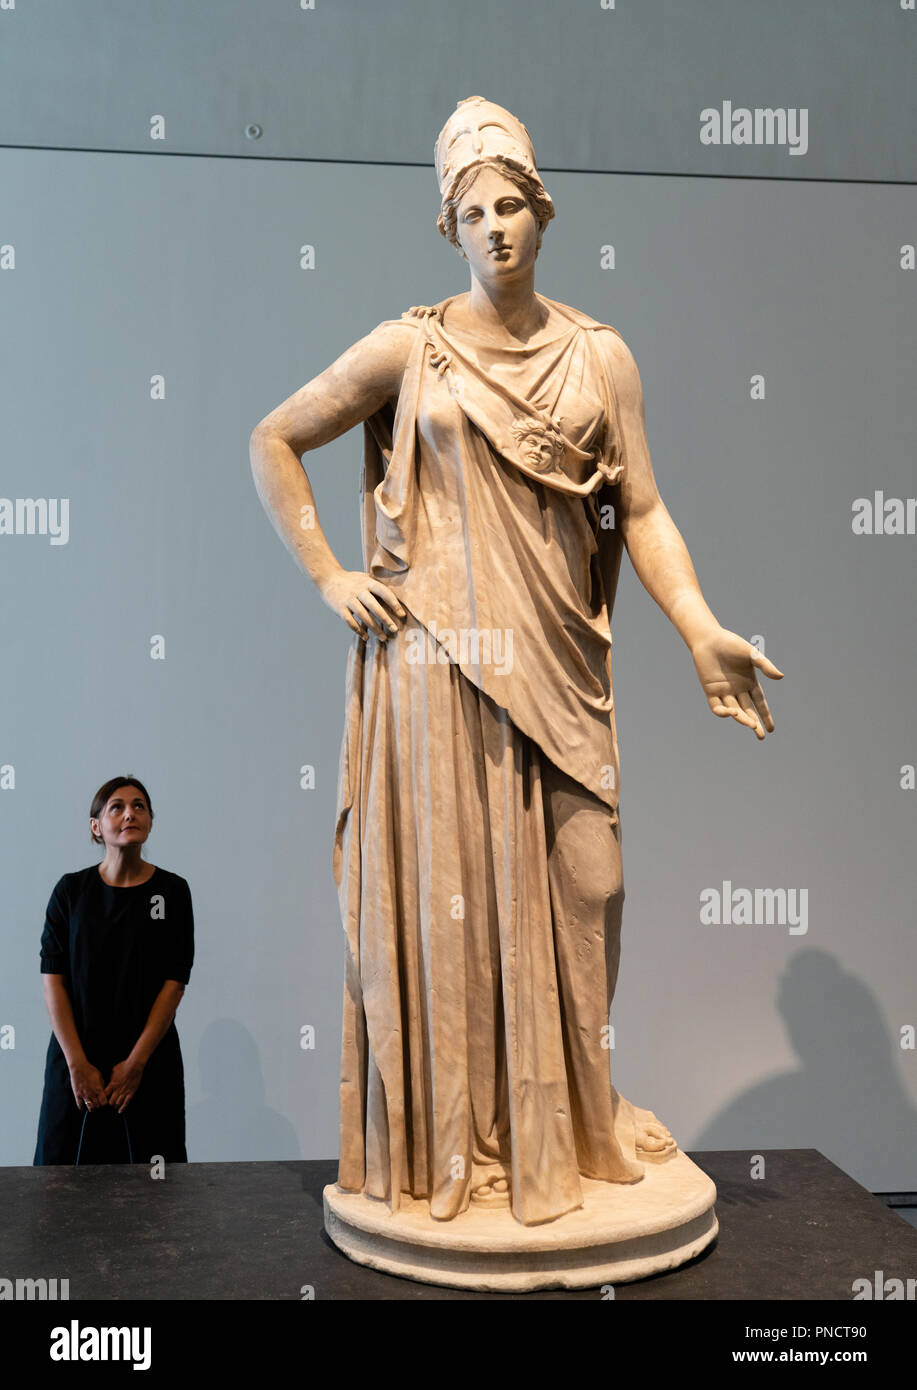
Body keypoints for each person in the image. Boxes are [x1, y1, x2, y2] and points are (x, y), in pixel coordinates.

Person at [250, 96, 783, 1226]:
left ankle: (580, 1107)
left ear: (541, 215)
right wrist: (326, 577)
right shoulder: (413, 347)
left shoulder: (599, 357)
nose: (493, 226)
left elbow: (640, 507)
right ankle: (468, 1136)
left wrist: (696, 627)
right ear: (447, 229)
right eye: (470, 211)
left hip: (559, 660)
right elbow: (274, 439)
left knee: (593, 881)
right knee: (453, 908)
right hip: (436, 668)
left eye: (509, 206)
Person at [34, 776, 194, 1165]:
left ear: (151, 821)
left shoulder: (171, 892)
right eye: (117, 807)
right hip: (76, 1061)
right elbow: (53, 978)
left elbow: (174, 984)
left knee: (156, 1186)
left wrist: (136, 1064)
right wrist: (77, 1064)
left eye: (140, 806)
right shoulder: (70, 892)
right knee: (61, 1184)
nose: (130, 813)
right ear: (96, 826)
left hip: (148, 1061)